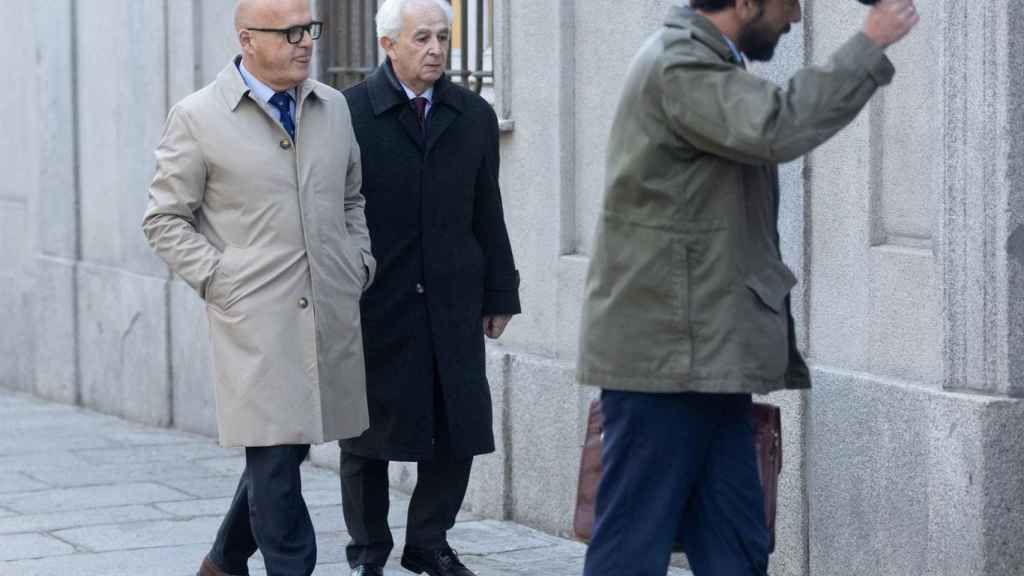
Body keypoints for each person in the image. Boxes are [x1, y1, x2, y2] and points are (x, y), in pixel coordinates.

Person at [576, 0, 918, 574]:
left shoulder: (705, 62)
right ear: (745, 3)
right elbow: (776, 125)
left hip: (705, 358)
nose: (796, 18)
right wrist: (869, 41)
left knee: (736, 548)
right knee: (631, 550)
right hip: (664, 364)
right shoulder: (680, 67)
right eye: (788, 3)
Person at [142, 0, 375, 574]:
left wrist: (356, 262)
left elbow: (351, 198)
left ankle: (223, 559)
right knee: (273, 457)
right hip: (256, 319)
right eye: (290, 32)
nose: (305, 42)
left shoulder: (333, 108)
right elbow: (164, 219)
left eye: (310, 29)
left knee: (289, 445)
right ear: (247, 38)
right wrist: (223, 280)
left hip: (327, 308)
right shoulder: (198, 116)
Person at [338, 1, 521, 575]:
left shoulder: (473, 115)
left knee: (458, 426)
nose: (436, 49)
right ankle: (369, 550)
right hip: (374, 301)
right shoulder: (348, 115)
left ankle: (428, 540)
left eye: (443, 37)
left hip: (452, 298)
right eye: (422, 38)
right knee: (362, 438)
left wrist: (500, 292)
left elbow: (487, 208)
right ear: (389, 45)